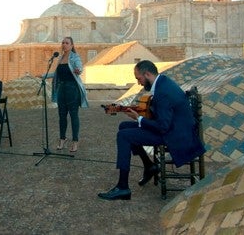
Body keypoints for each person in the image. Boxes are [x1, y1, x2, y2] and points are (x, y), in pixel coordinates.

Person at [98, 60, 206, 200]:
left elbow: (162, 126)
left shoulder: (162, 93)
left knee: (124, 136)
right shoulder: (163, 82)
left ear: (147, 74)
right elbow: (163, 115)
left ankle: (123, 187)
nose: (139, 83)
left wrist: (139, 119)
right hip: (174, 128)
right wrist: (139, 116)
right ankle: (149, 166)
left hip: (174, 135)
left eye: (139, 78)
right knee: (124, 126)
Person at [49, 37, 88, 153]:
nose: (64, 44)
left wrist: (78, 70)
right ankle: (62, 139)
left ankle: (75, 141)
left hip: (72, 89)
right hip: (61, 89)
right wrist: (43, 75)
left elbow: (79, 67)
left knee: (73, 115)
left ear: (71, 45)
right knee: (62, 116)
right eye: (63, 43)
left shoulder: (74, 57)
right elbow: (56, 74)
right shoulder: (60, 58)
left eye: (67, 43)